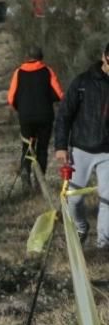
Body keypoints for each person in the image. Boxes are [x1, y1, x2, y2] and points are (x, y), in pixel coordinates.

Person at [54, 42, 109, 248]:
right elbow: (64, 115)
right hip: (81, 148)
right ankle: (81, 226)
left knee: (107, 199)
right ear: (104, 57)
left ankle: (103, 244)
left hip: (107, 152)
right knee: (73, 198)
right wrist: (60, 146)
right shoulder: (82, 82)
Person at [8, 47, 64, 180]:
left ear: (27, 57)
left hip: (26, 116)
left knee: (27, 147)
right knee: (42, 149)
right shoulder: (48, 71)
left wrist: (20, 108)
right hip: (45, 116)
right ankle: (40, 182)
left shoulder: (19, 72)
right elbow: (59, 94)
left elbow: (11, 98)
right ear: (41, 57)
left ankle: (25, 179)